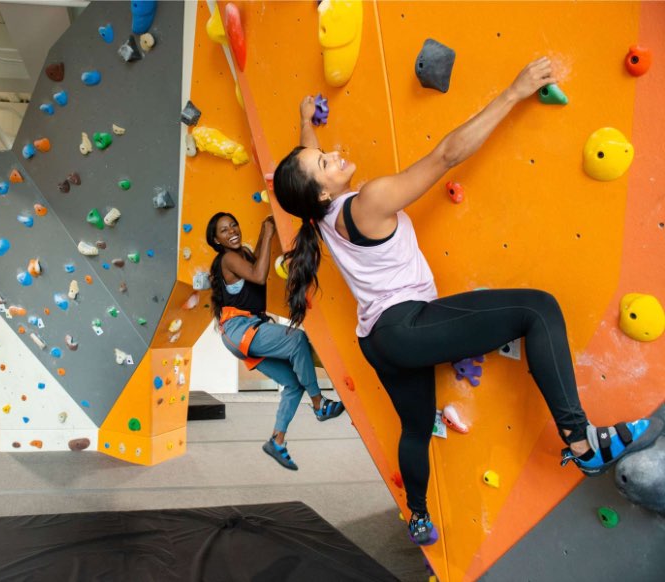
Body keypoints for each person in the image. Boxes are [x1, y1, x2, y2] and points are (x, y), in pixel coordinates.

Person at [271, 57, 663, 545]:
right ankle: (581, 441)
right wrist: (514, 91)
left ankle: (417, 516)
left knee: (415, 429)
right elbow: (445, 156)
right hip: (404, 327)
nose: (330, 155)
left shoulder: (320, 214)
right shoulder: (367, 201)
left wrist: (307, 123)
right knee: (538, 309)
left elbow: (303, 173)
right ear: (322, 189)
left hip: (378, 341)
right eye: (324, 161)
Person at [206, 211, 346, 470]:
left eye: (234, 225)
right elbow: (259, 276)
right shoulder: (227, 258)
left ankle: (277, 441)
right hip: (241, 328)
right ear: (216, 240)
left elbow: (256, 261)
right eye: (224, 230)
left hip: (241, 333)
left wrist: (263, 230)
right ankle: (319, 403)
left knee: (293, 384)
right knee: (297, 340)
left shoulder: (241, 255)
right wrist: (269, 233)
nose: (232, 231)